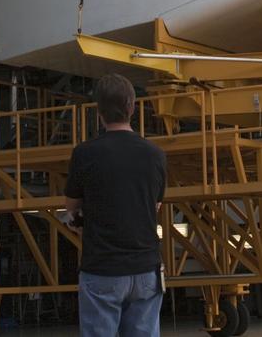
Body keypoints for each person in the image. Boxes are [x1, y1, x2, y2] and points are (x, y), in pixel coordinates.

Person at [64, 74, 167, 337]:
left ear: (99, 111)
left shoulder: (84, 153)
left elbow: (71, 208)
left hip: (103, 268)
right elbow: (156, 206)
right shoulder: (155, 154)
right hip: (145, 269)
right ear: (132, 107)